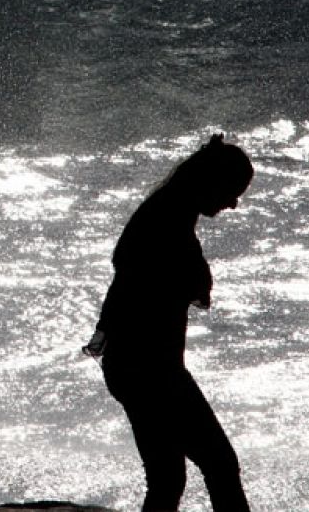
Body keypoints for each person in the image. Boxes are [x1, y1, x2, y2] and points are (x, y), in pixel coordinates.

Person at [85, 134, 255, 512]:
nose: (233, 203)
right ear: (213, 182)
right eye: (233, 191)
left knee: (167, 478)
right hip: (150, 367)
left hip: (135, 364)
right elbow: (154, 290)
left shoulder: (167, 213)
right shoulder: (167, 223)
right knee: (218, 464)